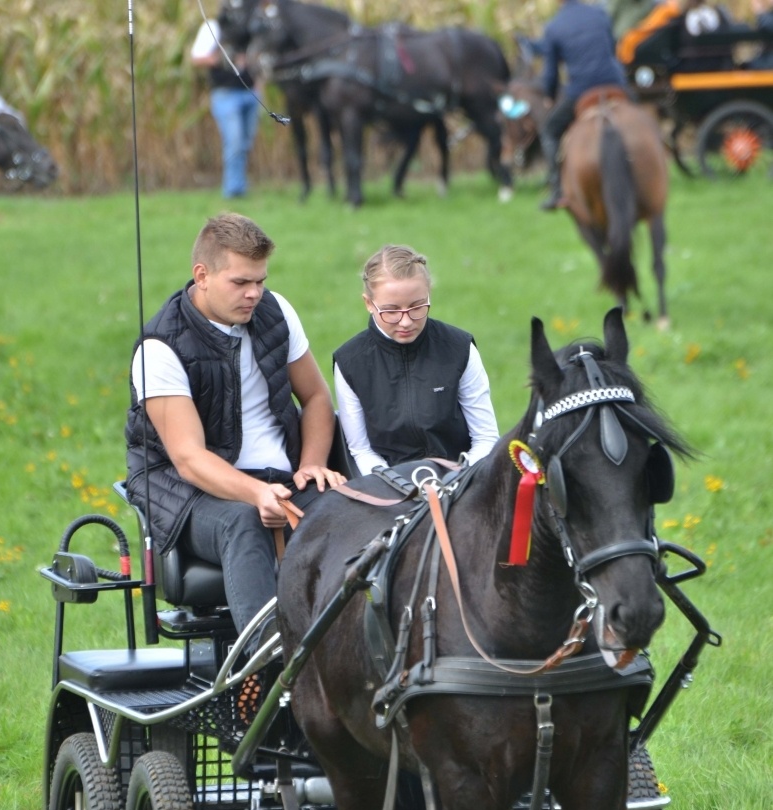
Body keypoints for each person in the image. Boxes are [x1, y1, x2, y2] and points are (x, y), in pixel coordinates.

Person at [125, 212, 345, 638]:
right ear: (202, 275)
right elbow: (188, 459)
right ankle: (264, 668)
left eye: (260, 281)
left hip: (282, 479)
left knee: (352, 511)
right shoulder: (160, 348)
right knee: (246, 521)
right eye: (241, 283)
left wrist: (312, 465)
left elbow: (317, 398)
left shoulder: (276, 312)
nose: (254, 294)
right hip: (189, 494)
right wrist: (256, 493)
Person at [332, 245, 500, 476]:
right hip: (387, 488)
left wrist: (458, 477)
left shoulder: (459, 347)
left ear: (428, 293)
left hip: (461, 481)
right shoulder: (350, 362)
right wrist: (397, 487)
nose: (406, 322)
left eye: (417, 306)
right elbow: (361, 450)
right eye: (391, 311)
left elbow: (486, 436)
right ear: (369, 303)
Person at [537, 0, 629, 211]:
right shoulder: (599, 14)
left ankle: (557, 190)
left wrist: (549, 97)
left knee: (549, 131)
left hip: (581, 90)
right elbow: (612, 48)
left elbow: (550, 74)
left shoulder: (553, 27)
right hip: (614, 83)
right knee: (640, 116)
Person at [190, 1, 261, 199]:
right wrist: (222, 58)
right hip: (225, 94)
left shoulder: (252, 31)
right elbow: (197, 57)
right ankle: (233, 190)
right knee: (235, 141)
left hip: (250, 93)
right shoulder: (213, 27)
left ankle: (240, 185)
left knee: (246, 143)